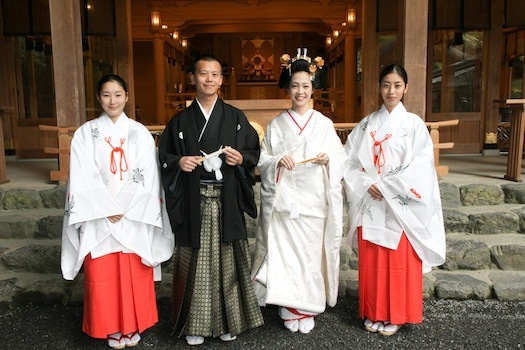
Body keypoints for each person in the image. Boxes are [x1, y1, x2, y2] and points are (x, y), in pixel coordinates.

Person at [61, 74, 174, 349]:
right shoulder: (85, 134)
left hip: (133, 213)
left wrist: (123, 207)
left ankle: (133, 325)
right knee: (103, 273)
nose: (113, 100)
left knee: (133, 269)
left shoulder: (140, 134)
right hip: (98, 214)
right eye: (106, 95)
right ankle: (109, 326)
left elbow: (147, 174)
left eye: (118, 94)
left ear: (126, 97)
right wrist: (105, 207)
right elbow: (82, 174)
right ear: (99, 98)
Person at [158, 54, 264, 346]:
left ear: (221, 80)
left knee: (228, 263)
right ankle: (194, 324)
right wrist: (179, 162)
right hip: (194, 201)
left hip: (225, 199)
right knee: (194, 264)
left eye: (215, 75)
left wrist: (242, 158)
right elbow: (164, 157)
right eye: (203, 74)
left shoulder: (235, 118)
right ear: (193, 78)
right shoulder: (179, 121)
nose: (209, 79)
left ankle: (229, 321)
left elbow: (254, 153)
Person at [343, 64, 446, 336]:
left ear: (406, 88)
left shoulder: (414, 125)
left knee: (398, 263)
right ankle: (374, 312)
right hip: (372, 200)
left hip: (400, 204)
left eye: (397, 85)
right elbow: (350, 160)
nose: (391, 91)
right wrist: (367, 183)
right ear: (379, 87)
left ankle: (397, 314)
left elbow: (422, 167)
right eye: (386, 84)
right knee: (374, 262)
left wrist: (389, 187)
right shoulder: (366, 124)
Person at [251, 52, 346, 334]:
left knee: (309, 256)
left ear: (312, 89)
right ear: (288, 88)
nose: (300, 91)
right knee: (287, 257)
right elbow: (263, 158)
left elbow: (341, 158)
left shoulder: (324, 124)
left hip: (313, 201)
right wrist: (278, 161)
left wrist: (328, 160)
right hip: (285, 203)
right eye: (295, 86)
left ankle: (308, 306)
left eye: (305, 86)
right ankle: (288, 306)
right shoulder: (278, 123)